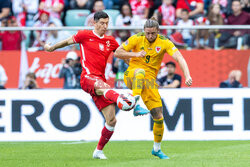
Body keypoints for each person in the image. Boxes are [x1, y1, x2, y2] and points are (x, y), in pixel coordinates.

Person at [44, 11, 146, 159]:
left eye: (107, 23)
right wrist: (52, 48)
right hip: (87, 78)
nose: (105, 26)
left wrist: (134, 67)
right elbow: (66, 42)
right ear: (94, 23)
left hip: (100, 82)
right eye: (102, 23)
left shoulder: (111, 40)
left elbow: (120, 55)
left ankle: (98, 151)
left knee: (111, 120)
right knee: (107, 90)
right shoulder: (84, 35)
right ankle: (131, 103)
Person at [114, 17, 192, 159]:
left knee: (159, 116)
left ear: (158, 31)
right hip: (132, 75)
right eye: (148, 33)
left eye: (153, 33)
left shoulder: (164, 42)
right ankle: (136, 104)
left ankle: (156, 149)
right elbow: (117, 52)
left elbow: (180, 57)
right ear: (144, 31)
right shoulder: (137, 38)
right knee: (140, 72)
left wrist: (187, 75)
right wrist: (134, 54)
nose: (150, 36)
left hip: (149, 82)